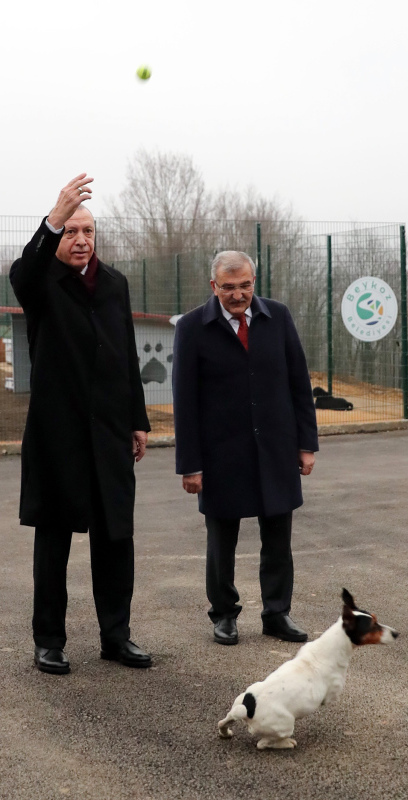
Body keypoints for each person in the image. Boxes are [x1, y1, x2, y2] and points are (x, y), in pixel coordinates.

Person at [10, 173, 152, 674]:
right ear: (57, 236)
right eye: (71, 231)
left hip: (110, 433)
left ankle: (117, 637)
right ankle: (49, 640)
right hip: (57, 437)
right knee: (53, 541)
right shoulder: (42, 282)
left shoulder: (114, 284)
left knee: (115, 539)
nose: (80, 239)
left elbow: (127, 356)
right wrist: (54, 216)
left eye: (87, 231)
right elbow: (22, 273)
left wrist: (137, 420)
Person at [172, 251, 319, 645]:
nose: (238, 295)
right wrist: (190, 465)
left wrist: (306, 444)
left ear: (254, 282)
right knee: (221, 543)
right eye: (228, 287)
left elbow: (299, 384)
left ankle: (277, 613)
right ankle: (224, 614)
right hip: (220, 455)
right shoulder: (191, 327)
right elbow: (184, 401)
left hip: (276, 449)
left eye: (245, 286)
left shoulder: (278, 316)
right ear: (213, 286)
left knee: (278, 541)